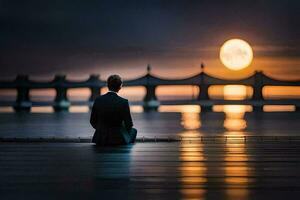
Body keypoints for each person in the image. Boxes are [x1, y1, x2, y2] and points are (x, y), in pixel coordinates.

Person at [90, 74, 137, 145]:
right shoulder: (123, 102)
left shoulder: (98, 100)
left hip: (100, 138)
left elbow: (92, 121)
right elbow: (129, 124)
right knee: (134, 131)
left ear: (107, 85)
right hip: (118, 139)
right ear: (120, 87)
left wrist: (101, 130)